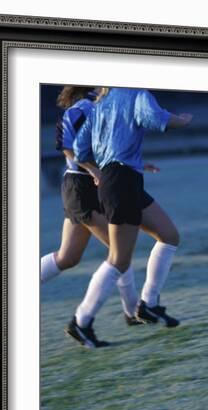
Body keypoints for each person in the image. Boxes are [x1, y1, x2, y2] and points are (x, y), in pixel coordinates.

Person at [66, 87, 193, 348]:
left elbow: (80, 149)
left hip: (125, 179)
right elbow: (158, 119)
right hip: (121, 182)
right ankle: (81, 322)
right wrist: (183, 119)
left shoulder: (102, 102)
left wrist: (104, 168)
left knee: (169, 235)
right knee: (118, 259)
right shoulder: (135, 93)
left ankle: (149, 304)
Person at [40, 86, 142, 325]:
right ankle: (132, 312)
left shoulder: (101, 106)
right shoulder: (82, 108)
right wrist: (94, 170)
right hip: (81, 188)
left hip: (90, 187)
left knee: (68, 257)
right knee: (120, 252)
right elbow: (67, 145)